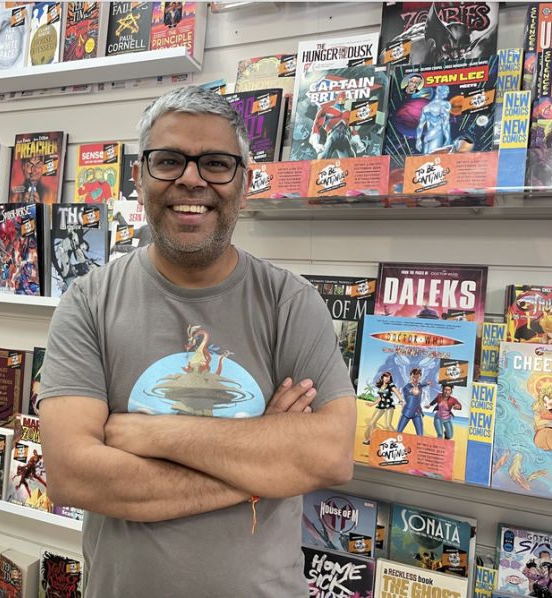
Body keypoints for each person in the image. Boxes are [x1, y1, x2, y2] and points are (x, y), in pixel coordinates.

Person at [37, 85, 356, 597]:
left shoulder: (290, 302)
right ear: (140, 177)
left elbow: (330, 457)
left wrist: (153, 435)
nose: (191, 179)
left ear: (243, 183)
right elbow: (74, 475)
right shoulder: (88, 302)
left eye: (215, 163)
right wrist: (263, 460)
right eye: (169, 161)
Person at [363, 371, 402, 444]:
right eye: (386, 377)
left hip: (389, 406)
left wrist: (401, 400)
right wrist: (372, 404)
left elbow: (397, 393)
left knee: (387, 425)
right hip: (381, 406)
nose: (387, 378)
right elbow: (380, 398)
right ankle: (370, 439)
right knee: (372, 423)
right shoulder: (381, 386)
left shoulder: (391, 385)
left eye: (389, 377)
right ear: (382, 377)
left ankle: (398, 440)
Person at [415, 85, 452, 153]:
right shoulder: (445, 104)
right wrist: (448, 139)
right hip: (437, 134)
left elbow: (420, 126)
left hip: (427, 137)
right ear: (438, 90)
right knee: (433, 160)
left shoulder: (426, 107)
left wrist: (418, 140)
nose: (447, 93)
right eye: (446, 91)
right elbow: (446, 124)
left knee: (426, 161)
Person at [397, 367, 432, 436]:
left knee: (420, 435)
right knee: (399, 431)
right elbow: (413, 391)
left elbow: (421, 385)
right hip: (407, 412)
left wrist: (427, 383)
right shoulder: (407, 387)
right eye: (413, 377)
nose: (415, 379)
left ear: (420, 378)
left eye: (417, 377)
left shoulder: (419, 385)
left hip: (417, 412)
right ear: (410, 377)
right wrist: (414, 391)